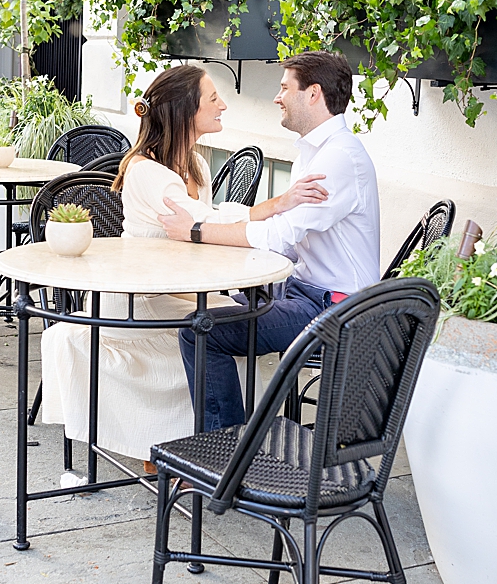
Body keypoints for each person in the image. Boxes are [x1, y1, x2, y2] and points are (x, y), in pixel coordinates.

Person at [42, 65, 323, 467]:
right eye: (213, 99)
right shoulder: (146, 172)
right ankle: (190, 453)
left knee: (240, 330)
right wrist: (279, 205)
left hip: (180, 290)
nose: (223, 105)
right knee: (215, 334)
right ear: (184, 110)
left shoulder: (196, 166)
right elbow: (204, 223)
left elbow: (212, 218)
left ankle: (227, 449)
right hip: (139, 300)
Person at [158, 50, 381, 431]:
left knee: (201, 331)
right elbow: (287, 241)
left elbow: (278, 238)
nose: (277, 97)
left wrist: (197, 231)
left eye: (283, 88)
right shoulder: (312, 153)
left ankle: (225, 457)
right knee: (214, 308)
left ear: (312, 94)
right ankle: (236, 440)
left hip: (334, 309)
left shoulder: (340, 158)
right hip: (301, 291)